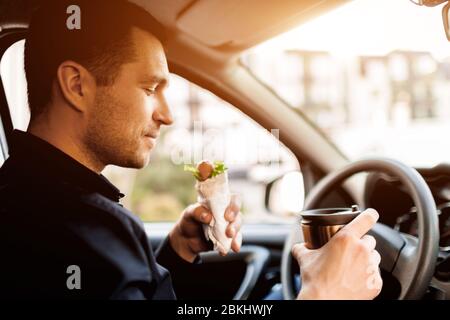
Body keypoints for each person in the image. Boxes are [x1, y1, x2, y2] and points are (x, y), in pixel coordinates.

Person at [0, 0, 381, 299]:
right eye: (150, 89)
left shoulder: (34, 204)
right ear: (77, 85)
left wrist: (178, 251)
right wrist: (324, 295)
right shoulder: (76, 232)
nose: (168, 116)